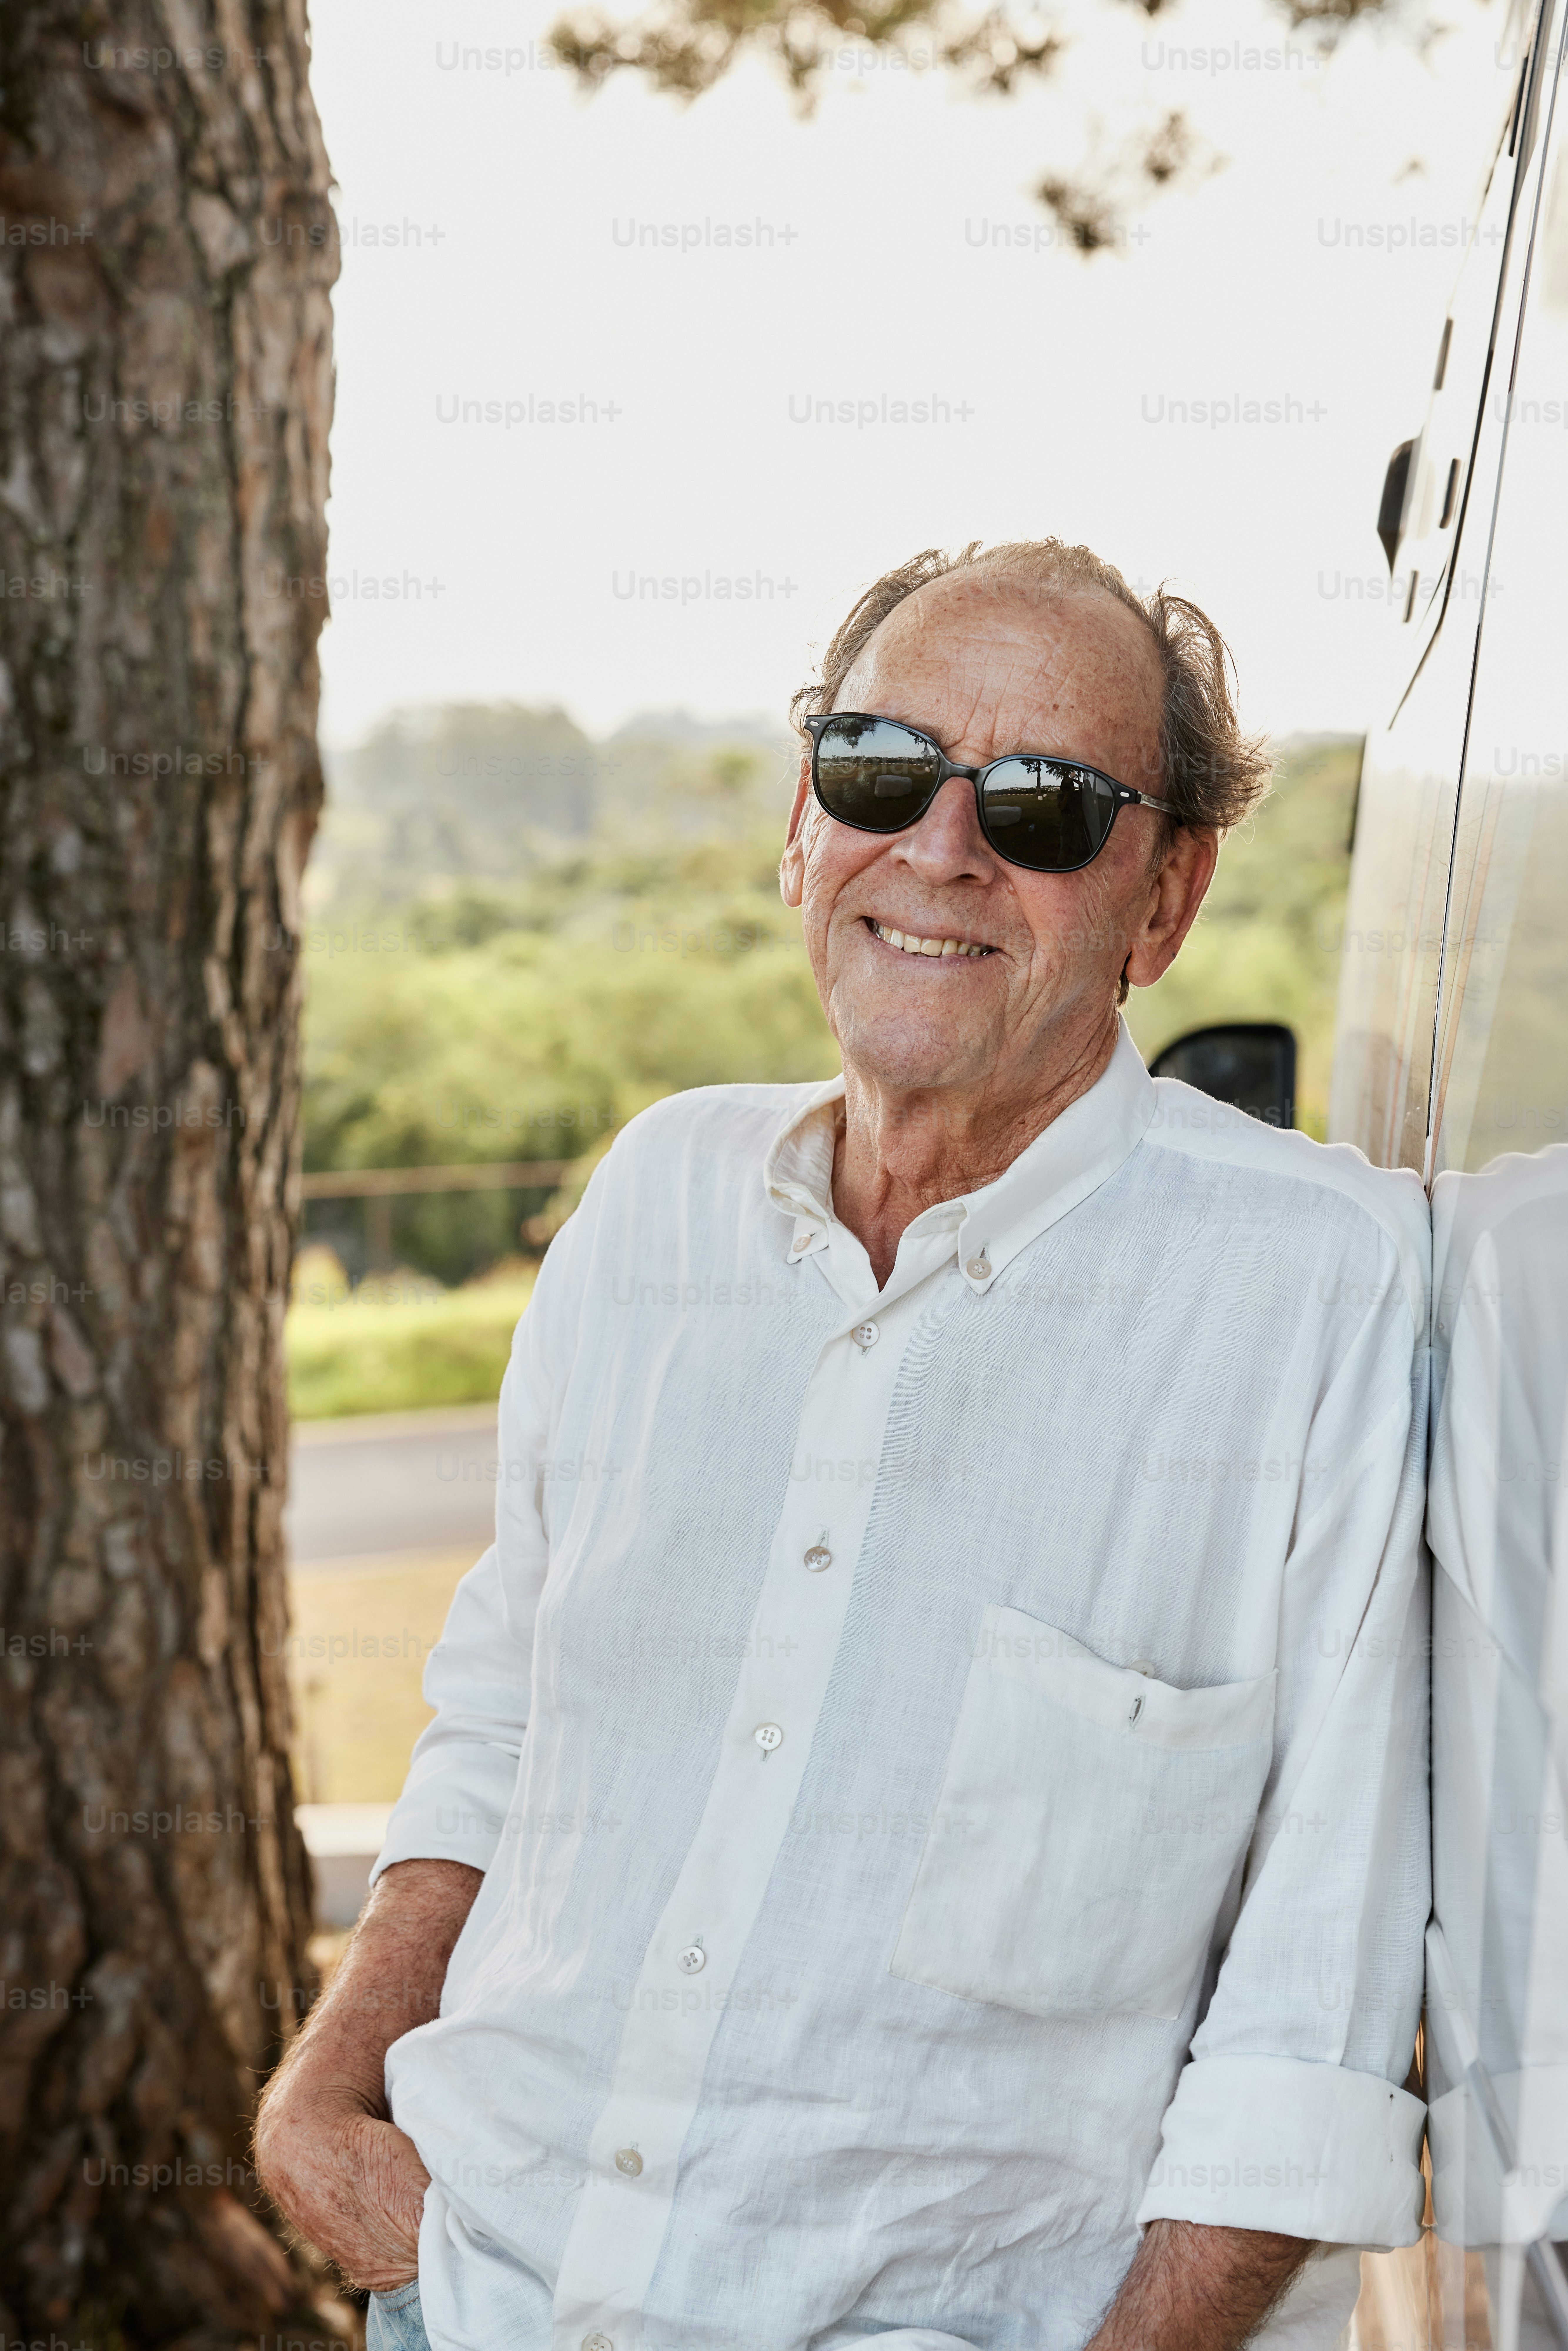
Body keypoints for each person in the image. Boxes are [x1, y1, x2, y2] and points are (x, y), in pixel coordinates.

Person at [256, 540, 1432, 2351]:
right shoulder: (653, 1194)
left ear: (1165, 897)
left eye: (1046, 804)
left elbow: (1322, 1976)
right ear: (804, 825)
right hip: (474, 2288)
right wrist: (332, 2108)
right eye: (882, 768)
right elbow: (499, 1713)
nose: (942, 849)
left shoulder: (1321, 1293)